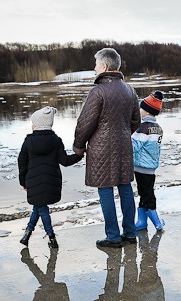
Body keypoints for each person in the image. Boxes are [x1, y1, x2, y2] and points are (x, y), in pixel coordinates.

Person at [73, 48, 141, 249]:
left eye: (96, 64)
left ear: (104, 66)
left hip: (102, 149)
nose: (94, 68)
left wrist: (78, 146)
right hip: (124, 146)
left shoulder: (98, 91)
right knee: (125, 187)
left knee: (105, 190)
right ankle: (129, 233)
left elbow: (85, 123)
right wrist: (121, 134)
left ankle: (113, 236)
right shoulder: (129, 89)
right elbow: (136, 121)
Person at [18, 106, 82, 248]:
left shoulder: (28, 142)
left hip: (33, 181)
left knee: (41, 207)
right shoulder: (56, 140)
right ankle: (27, 234)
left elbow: (22, 163)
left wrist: (23, 181)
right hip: (51, 181)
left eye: (33, 123)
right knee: (39, 206)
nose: (32, 125)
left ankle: (51, 237)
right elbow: (64, 161)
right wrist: (79, 155)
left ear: (38, 124)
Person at [132, 90, 165, 231]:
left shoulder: (142, 128)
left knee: (147, 194)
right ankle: (142, 222)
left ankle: (157, 222)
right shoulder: (158, 128)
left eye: (141, 108)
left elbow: (134, 147)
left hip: (141, 167)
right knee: (145, 193)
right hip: (151, 167)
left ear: (146, 111)